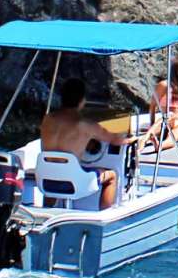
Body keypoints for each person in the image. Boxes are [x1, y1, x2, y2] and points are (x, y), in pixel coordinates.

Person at [40, 80, 126, 208]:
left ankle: (46, 210)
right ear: (81, 101)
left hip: (45, 180)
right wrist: (132, 139)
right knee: (112, 176)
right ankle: (105, 215)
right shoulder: (85, 125)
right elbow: (116, 140)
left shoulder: (48, 119)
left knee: (55, 172)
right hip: (74, 182)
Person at [147, 56, 178, 147]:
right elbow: (152, 106)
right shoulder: (164, 85)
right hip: (169, 122)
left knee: (175, 133)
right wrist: (151, 124)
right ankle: (146, 141)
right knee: (157, 132)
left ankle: (160, 145)